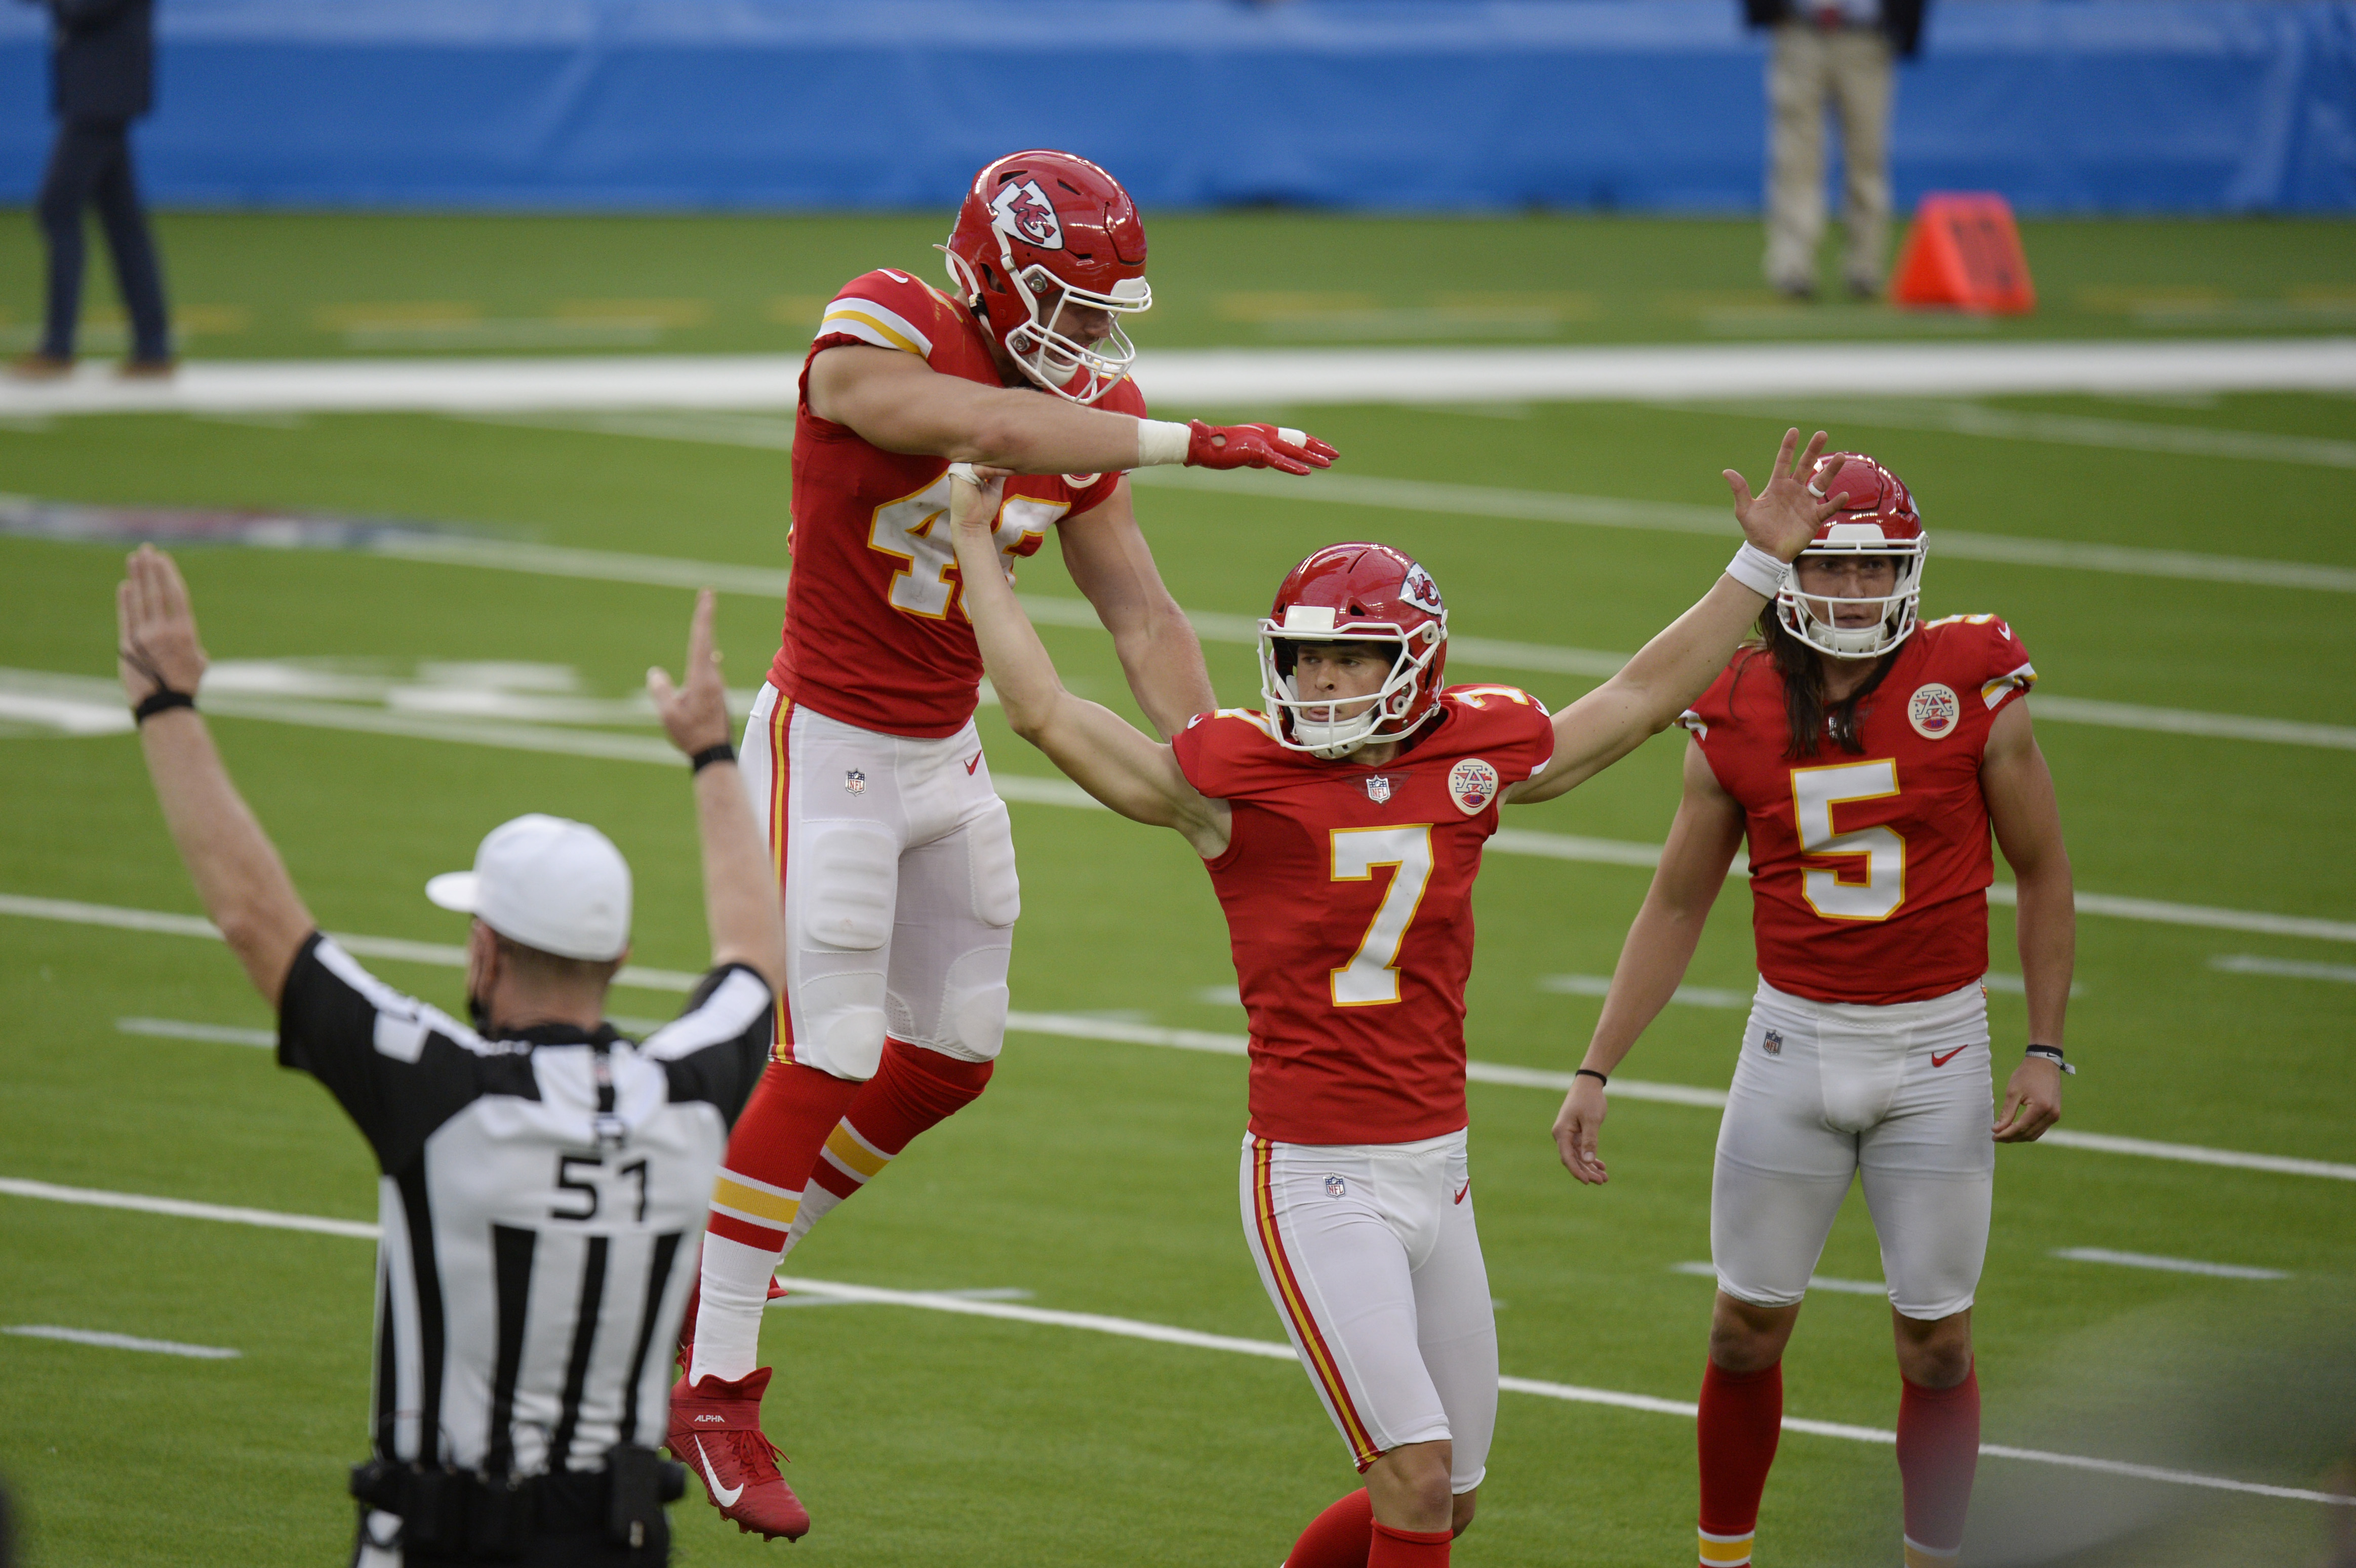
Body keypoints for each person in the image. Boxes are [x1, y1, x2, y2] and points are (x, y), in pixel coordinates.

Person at [943, 430, 1842, 1568]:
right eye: (1305, 659)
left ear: (1411, 663)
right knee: (1411, 1476)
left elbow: (1640, 695)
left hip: (1437, 1167)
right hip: (1314, 1176)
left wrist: (1758, 567)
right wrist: (974, 543)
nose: (1318, 682)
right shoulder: (1235, 783)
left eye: (1350, 660)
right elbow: (1044, 712)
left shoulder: (1468, 758)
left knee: (1447, 1496)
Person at [670, 146, 1338, 1539]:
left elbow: (1140, 614)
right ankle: (715, 1381)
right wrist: (1198, 439)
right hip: (830, 742)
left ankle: (731, 1251)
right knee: (831, 1048)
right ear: (987, 266)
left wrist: (1221, 767)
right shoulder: (886, 321)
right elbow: (988, 428)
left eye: (1104, 312)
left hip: (947, 746)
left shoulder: (1085, 406)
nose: (1088, 338)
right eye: (1065, 302)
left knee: (955, 1053)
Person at [115, 546, 782, 1566]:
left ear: (485, 948)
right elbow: (753, 954)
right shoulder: (687, 1095)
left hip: (447, 1541)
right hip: (618, 1543)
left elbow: (257, 919)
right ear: (619, 958)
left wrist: (166, 704)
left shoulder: (443, 1093)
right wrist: (709, 754)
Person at [1549, 451, 2075, 1568]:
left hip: (1936, 1048)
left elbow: (2043, 871)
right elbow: (1677, 899)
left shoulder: (1969, 679)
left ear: (1909, 575)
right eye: (1828, 571)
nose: (1851, 596)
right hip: (1790, 1039)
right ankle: (1721, 1561)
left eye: (1874, 572)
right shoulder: (1735, 699)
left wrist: (2043, 1045)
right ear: (1788, 573)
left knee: (1936, 1346)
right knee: (1742, 1330)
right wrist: (1597, 1064)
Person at [11, 0, 173, 378]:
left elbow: (87, 9)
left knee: (58, 210)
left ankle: (59, 345)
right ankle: (153, 345)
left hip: (101, 96)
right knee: (123, 223)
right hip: (101, 92)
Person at [1743, 0, 1928, 300]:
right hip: (1800, 31)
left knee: (1867, 155)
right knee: (1795, 157)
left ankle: (1865, 266)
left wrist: (1906, 28)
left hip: (1866, 36)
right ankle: (1793, 265)